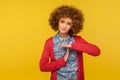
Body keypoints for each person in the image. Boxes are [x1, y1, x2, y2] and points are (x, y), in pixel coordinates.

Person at [39, 5, 100, 80]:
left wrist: (73, 45)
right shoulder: (50, 42)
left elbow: (96, 51)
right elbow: (42, 67)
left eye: (68, 23)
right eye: (62, 22)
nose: (64, 26)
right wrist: (62, 61)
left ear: (72, 26)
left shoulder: (77, 40)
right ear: (57, 22)